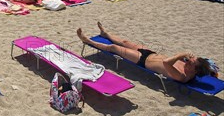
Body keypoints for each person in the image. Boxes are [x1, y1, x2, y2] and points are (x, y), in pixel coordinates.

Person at [77, 22, 216, 83]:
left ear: (194, 69)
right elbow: (211, 69)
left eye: (190, 62)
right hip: (150, 53)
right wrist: (212, 72)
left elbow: (167, 63)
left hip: (143, 61)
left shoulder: (182, 76)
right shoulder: (192, 69)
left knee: (114, 48)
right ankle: (105, 34)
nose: (187, 61)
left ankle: (88, 41)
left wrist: (182, 54)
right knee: (125, 42)